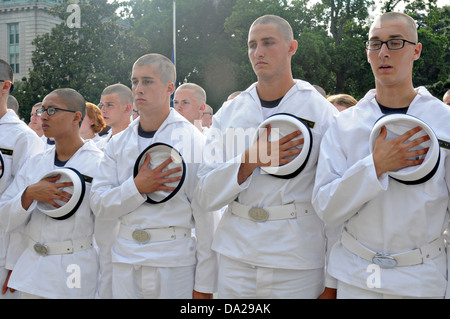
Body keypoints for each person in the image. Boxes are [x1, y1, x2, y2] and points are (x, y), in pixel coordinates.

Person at [195, 15, 338, 299]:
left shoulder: (322, 113)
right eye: (252, 45)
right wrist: (249, 161)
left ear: (291, 47)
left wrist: (332, 281)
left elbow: (334, 201)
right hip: (237, 256)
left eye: (268, 43)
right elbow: (204, 193)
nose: (258, 52)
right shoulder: (229, 114)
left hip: (296, 259)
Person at [312, 12, 450, 299]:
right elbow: (326, 207)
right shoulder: (346, 123)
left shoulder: (444, 121)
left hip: (421, 279)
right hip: (358, 277)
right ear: (367, 52)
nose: (384, 52)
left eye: (395, 42)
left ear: (416, 50)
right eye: (375, 44)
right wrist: (375, 166)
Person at [90, 53, 218, 299]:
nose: (138, 89)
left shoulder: (193, 141)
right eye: (134, 81)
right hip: (125, 259)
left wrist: (204, 284)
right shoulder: (117, 143)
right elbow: (99, 204)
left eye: (147, 81)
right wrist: (137, 187)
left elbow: (206, 217)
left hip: (174, 262)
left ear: (170, 88)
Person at [0, 88, 103, 298]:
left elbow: (108, 228)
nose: (44, 116)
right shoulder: (35, 163)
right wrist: (29, 194)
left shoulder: (99, 163)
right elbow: (4, 217)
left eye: (53, 110)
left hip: (75, 266)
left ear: (76, 117)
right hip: (34, 268)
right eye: (43, 110)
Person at [0, 59, 45, 299]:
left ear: (5, 86)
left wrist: (15, 263)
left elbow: (22, 204)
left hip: (3, 253)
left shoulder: (23, 138)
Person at [96, 83, 133, 150]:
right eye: (102, 105)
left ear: (127, 108)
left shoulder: (140, 145)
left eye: (109, 105)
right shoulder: (97, 147)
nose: (103, 110)